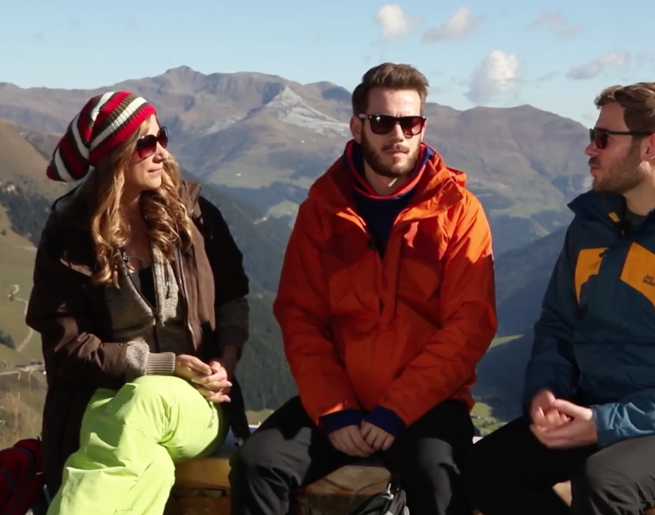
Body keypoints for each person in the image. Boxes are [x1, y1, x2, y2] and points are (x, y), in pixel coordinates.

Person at [463, 82, 655, 514]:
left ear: (650, 147)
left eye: (603, 138)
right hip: (597, 404)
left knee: (606, 482)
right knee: (484, 468)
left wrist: (605, 424)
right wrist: (545, 389)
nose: (590, 149)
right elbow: (557, 325)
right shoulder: (593, 222)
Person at [229, 63, 497, 515]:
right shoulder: (322, 209)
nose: (398, 135)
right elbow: (300, 316)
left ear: (422, 126)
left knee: (438, 476)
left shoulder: (459, 211)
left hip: (428, 404)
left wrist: (397, 410)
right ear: (357, 127)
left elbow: (469, 325)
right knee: (258, 464)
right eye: (382, 122)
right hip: (340, 402)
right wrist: (335, 410)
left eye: (409, 122)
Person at [25, 91, 251, 514]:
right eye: (146, 144)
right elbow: (66, 347)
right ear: (115, 158)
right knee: (147, 464)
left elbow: (234, 297)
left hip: (198, 402)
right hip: (101, 406)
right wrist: (161, 364)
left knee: (144, 400)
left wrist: (226, 360)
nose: (162, 153)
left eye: (161, 136)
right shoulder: (70, 236)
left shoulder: (194, 214)